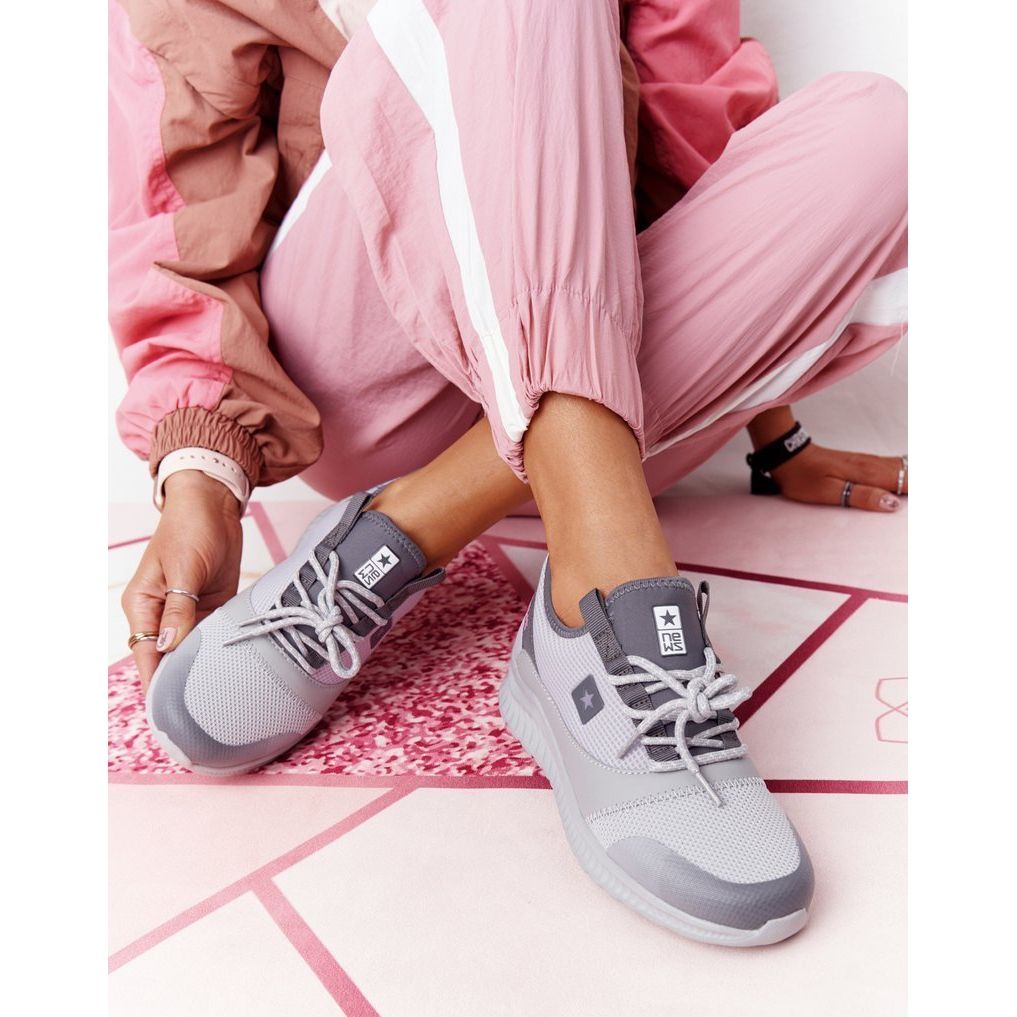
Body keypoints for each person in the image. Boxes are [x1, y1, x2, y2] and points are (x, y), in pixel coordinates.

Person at [109, 0, 906, 946]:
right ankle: (606, 585)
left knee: (887, 133)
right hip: (376, 377)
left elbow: (701, 170)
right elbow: (180, 202)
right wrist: (201, 473)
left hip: (633, 399)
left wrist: (773, 435)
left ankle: (405, 530)